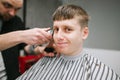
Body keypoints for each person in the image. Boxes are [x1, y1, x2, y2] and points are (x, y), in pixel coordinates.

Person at [16, 4, 120, 80]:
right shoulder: (45, 61)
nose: (58, 36)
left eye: (68, 29)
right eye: (56, 29)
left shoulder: (98, 72)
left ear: (84, 33)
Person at [0, 0, 53, 80]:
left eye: (17, 9)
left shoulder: (16, 21)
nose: (12, 13)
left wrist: (41, 49)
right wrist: (22, 35)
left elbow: (27, 47)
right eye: (7, 5)